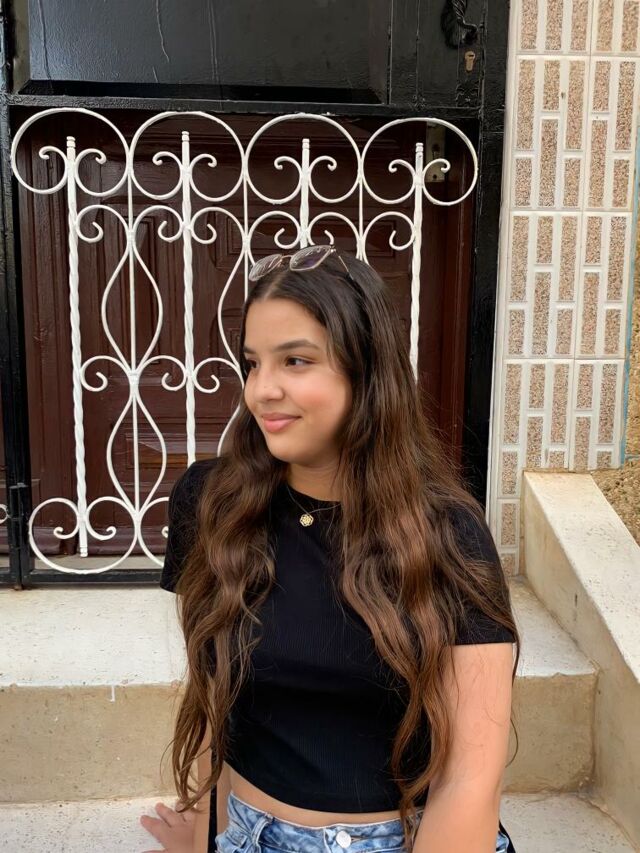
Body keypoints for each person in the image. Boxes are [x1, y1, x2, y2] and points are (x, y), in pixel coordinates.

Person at [140, 245, 520, 853]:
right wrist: (209, 832)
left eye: (296, 361)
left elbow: (471, 779)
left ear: (366, 370)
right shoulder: (211, 503)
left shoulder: (448, 534)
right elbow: (217, 701)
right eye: (252, 364)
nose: (262, 390)